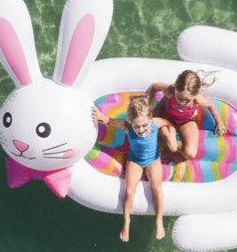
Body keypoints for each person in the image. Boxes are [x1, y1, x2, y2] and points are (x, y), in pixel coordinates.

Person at [92, 97, 168, 242]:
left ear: (150, 119)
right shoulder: (127, 126)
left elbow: (167, 124)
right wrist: (100, 117)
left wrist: (169, 134)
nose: (141, 130)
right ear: (131, 123)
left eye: (144, 125)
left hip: (153, 159)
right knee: (129, 191)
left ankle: (159, 220)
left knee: (157, 189)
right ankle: (126, 221)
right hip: (135, 161)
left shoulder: (156, 122)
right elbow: (110, 121)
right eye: (137, 127)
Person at [146, 70, 227, 162]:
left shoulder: (197, 99)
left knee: (190, 154)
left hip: (187, 122)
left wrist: (219, 122)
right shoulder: (169, 92)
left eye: (187, 100)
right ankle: (169, 140)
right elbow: (154, 86)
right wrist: (150, 103)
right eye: (180, 98)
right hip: (167, 120)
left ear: (194, 95)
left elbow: (210, 105)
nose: (182, 102)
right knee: (148, 126)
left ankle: (175, 144)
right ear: (176, 89)